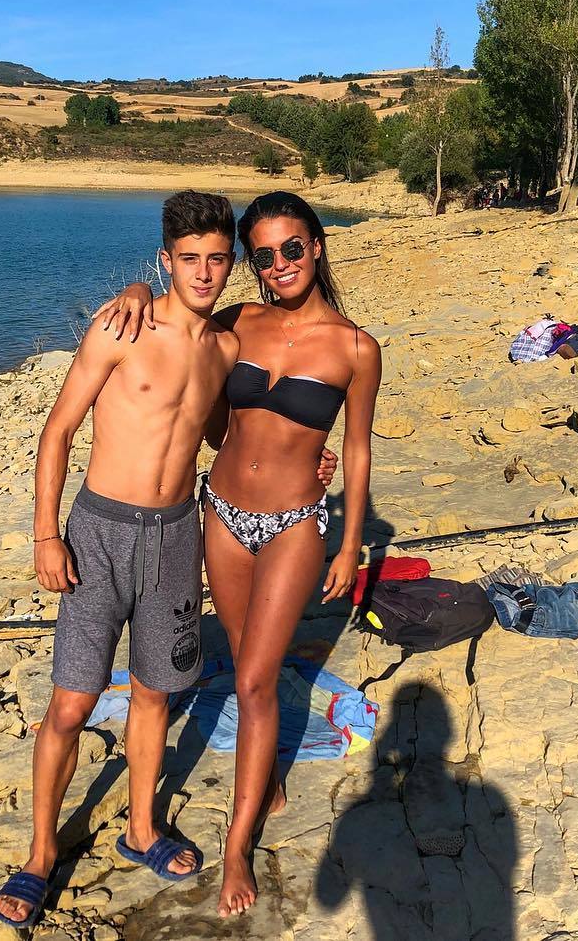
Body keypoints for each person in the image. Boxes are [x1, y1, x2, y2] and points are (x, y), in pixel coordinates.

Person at [0, 192, 335, 929]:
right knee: (72, 704)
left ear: (232, 263)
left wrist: (308, 458)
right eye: (188, 259)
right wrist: (46, 535)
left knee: (154, 694)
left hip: (178, 533)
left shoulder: (226, 349)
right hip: (100, 532)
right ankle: (40, 855)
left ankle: (142, 828)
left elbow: (225, 436)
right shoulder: (121, 327)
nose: (204, 273)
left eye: (217, 259)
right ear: (164, 261)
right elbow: (58, 430)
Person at [96, 191, 381, 919]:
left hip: (293, 523)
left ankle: (235, 848)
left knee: (253, 681)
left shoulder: (355, 348)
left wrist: (350, 543)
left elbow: (355, 448)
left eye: (293, 248)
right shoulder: (238, 322)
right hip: (220, 514)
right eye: (263, 255)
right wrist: (136, 290)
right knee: (246, 648)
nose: (279, 263)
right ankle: (265, 771)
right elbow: (181, 325)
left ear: (318, 246)